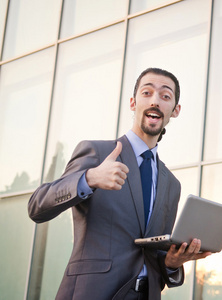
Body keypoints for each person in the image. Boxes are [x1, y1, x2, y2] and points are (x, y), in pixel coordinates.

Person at [28, 68, 211, 300]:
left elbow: (156, 254)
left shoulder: (171, 184)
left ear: (175, 111)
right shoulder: (98, 152)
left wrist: (172, 263)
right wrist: (89, 178)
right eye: (147, 93)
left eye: (165, 96)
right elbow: (37, 207)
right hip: (93, 292)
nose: (155, 101)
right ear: (133, 103)